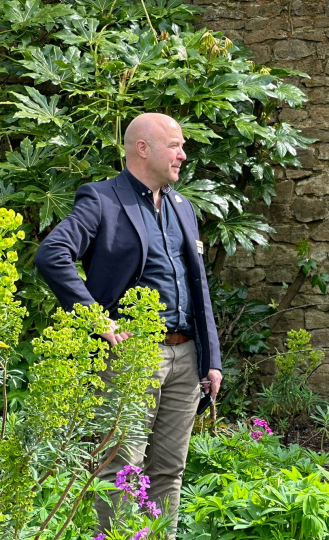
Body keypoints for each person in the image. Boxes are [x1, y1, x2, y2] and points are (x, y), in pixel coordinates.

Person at [34, 113, 222, 535]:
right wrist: (96, 318)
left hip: (186, 355)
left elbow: (198, 285)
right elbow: (52, 255)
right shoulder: (102, 200)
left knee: (170, 470)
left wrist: (211, 357)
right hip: (132, 356)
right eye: (174, 145)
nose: (183, 153)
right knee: (121, 468)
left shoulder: (181, 206)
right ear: (143, 148)